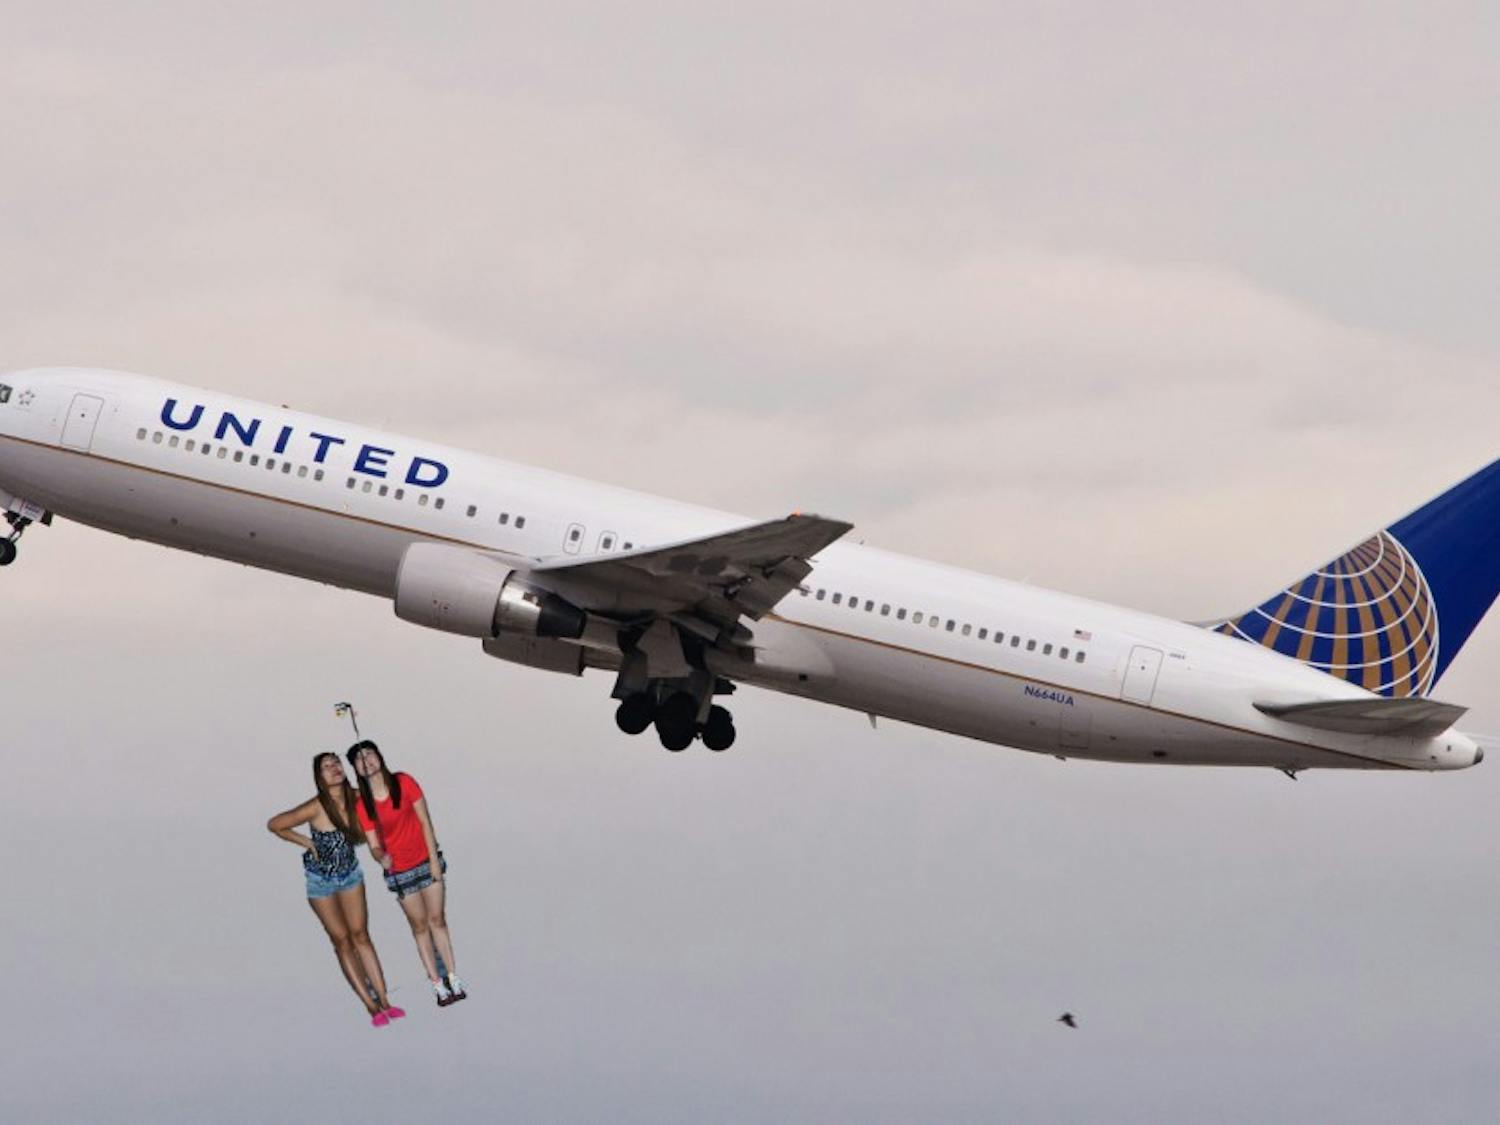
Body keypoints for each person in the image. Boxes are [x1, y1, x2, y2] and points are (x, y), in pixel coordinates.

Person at [267, 753, 404, 1027]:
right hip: (321, 882)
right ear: (319, 776)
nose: (334, 768)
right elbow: (275, 824)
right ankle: (370, 1006)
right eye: (326, 766)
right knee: (342, 941)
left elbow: (384, 804)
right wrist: (307, 842)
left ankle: (385, 1002)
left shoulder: (357, 798)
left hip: (350, 876)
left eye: (336, 763)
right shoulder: (316, 806)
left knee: (361, 936)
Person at [346, 740, 467, 1007]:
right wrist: (381, 858)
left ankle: (453, 977)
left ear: (379, 756)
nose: (367, 760)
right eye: (359, 758)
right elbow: (374, 846)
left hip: (425, 860)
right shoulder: (363, 805)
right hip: (400, 871)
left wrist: (434, 860)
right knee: (420, 926)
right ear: (355, 768)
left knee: (438, 920)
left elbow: (425, 820)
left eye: (370, 754)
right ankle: (437, 984)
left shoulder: (404, 782)